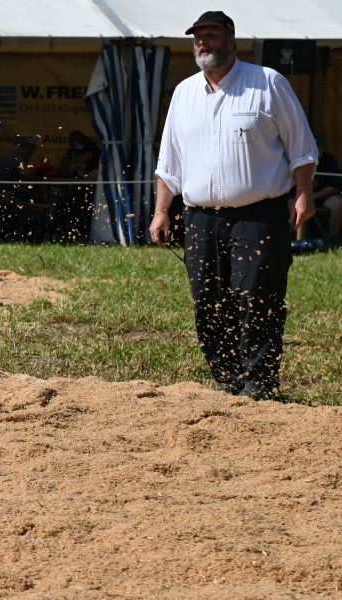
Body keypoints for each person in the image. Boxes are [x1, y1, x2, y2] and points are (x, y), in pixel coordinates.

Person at [150, 11, 318, 401]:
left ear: (232, 41)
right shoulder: (184, 93)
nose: (202, 43)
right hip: (200, 217)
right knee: (208, 301)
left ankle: (259, 384)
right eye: (197, 37)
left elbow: (302, 147)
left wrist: (305, 194)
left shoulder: (267, 83)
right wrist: (161, 210)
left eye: (210, 35)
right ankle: (226, 380)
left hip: (260, 215)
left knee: (257, 298)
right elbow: (168, 163)